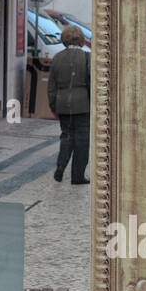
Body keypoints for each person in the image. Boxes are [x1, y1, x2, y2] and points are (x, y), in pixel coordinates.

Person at [47, 22, 90, 186]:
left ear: (64, 39)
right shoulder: (87, 57)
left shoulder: (57, 58)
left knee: (66, 137)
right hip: (82, 105)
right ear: (81, 39)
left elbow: (51, 86)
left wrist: (53, 105)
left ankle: (60, 166)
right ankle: (77, 176)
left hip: (63, 104)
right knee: (82, 141)